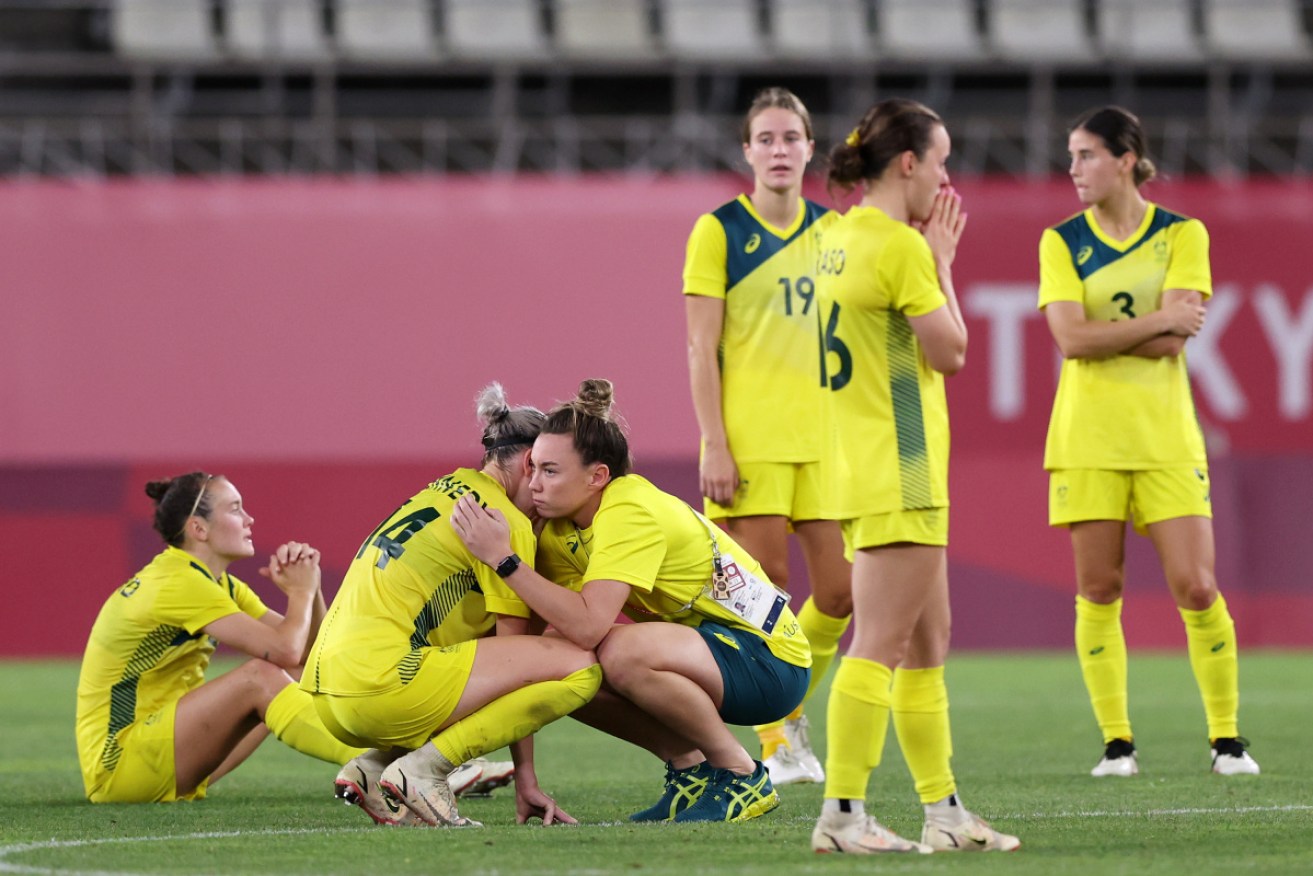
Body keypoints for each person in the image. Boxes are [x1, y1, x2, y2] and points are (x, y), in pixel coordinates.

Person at [451, 379, 812, 825]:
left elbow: (589, 626)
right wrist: (526, 777)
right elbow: (525, 651)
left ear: (598, 476)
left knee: (616, 650)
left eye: (550, 470)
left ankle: (741, 773)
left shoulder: (629, 510)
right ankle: (691, 770)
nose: (535, 484)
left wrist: (504, 560)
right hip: (710, 651)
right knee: (557, 662)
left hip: (771, 663)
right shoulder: (561, 529)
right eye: (533, 469)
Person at [808, 98, 1020, 854]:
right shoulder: (899, 248)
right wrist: (942, 267)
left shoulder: (834, 236)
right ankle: (841, 815)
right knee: (880, 645)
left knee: (927, 646)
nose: (944, 175)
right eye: (939, 159)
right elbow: (950, 350)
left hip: (859, 466)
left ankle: (944, 813)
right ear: (906, 164)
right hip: (900, 470)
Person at [1038, 105, 1259, 778]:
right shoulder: (1060, 241)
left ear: (1125, 158)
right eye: (1071, 156)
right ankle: (1117, 745)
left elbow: (1178, 333)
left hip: (1165, 438)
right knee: (1098, 589)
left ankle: (1226, 740)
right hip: (1085, 440)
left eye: (1085, 155)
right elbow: (1069, 339)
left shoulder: (1181, 235)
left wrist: (1133, 330)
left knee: (1195, 586)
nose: (1073, 169)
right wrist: (1154, 322)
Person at [302, 383, 602, 828]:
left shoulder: (443, 490)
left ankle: (374, 768)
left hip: (327, 696)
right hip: (380, 689)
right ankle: (426, 770)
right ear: (528, 463)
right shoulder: (504, 522)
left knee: (462, 658)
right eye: (546, 473)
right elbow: (516, 663)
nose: (544, 492)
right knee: (580, 665)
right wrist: (527, 780)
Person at [683, 86, 850, 785]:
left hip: (828, 439)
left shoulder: (837, 234)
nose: (779, 151)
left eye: (791, 138)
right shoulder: (718, 231)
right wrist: (714, 442)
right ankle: (781, 745)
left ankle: (788, 711)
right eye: (766, 139)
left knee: (841, 594)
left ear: (810, 149)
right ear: (746, 150)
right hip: (749, 439)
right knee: (767, 592)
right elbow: (699, 347)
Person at [75, 472, 363, 804]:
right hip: (122, 766)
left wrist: (311, 593)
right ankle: (373, 762)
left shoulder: (215, 582)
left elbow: (311, 657)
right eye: (236, 509)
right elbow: (285, 650)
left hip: (166, 751)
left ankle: (382, 755)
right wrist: (300, 592)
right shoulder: (178, 581)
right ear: (199, 529)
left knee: (295, 677)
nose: (249, 519)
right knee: (260, 676)